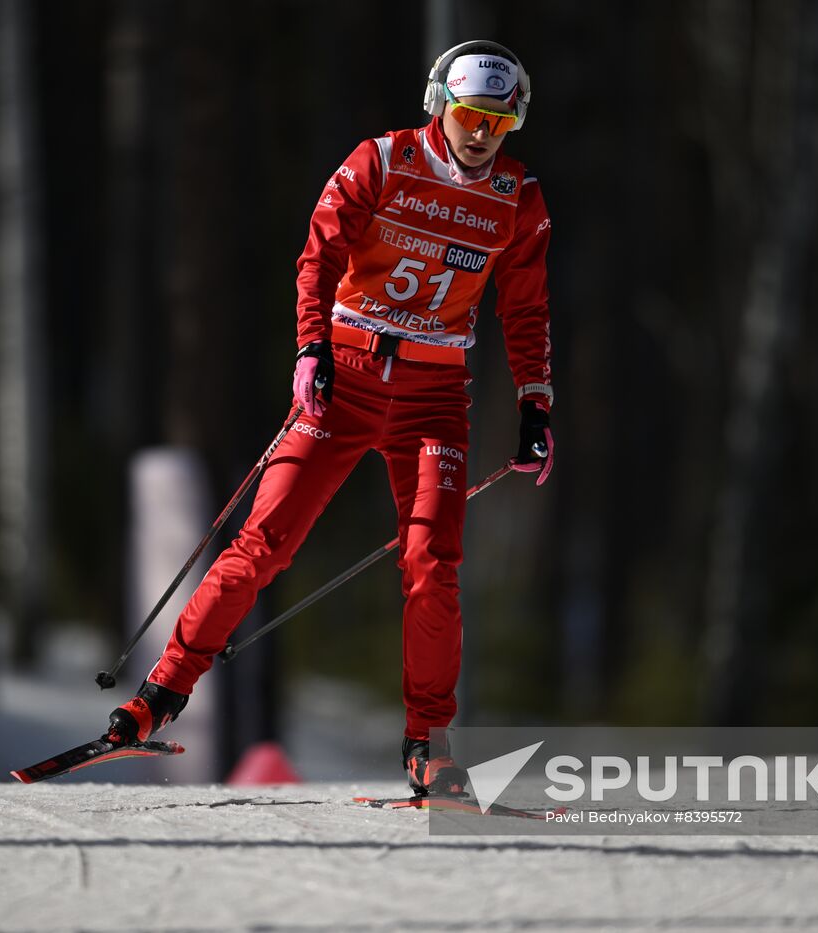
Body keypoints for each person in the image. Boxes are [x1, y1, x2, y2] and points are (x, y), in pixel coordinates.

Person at [106, 40, 555, 796]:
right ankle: (160, 694)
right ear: (440, 106)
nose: (480, 134)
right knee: (264, 543)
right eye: (471, 115)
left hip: (435, 395)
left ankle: (426, 744)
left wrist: (534, 402)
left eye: (498, 122)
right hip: (346, 376)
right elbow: (319, 252)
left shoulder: (519, 195)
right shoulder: (382, 160)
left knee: (432, 566)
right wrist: (311, 346)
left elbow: (527, 307)